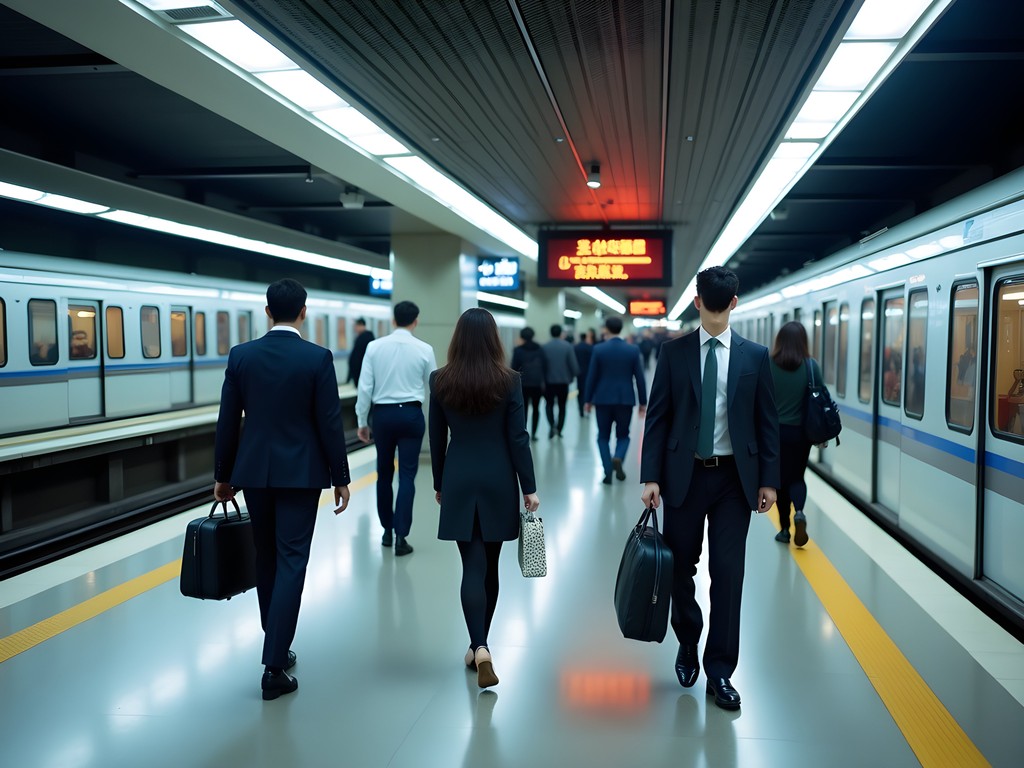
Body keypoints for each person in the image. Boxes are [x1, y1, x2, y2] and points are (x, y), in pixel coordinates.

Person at [640, 266, 779, 711]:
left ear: (728, 304)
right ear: (699, 302)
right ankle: (688, 639)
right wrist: (651, 475)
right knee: (679, 568)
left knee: (729, 575)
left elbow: (766, 422)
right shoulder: (674, 352)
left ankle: (720, 670)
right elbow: (658, 417)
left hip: (734, 481)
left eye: (721, 306)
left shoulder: (755, 357)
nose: (716, 312)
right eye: (710, 305)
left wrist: (770, 481)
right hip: (684, 476)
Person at [213, 278, 351, 702]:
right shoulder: (317, 358)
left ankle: (276, 645)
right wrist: (340, 476)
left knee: (267, 559)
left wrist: (223, 474)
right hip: (301, 474)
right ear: (304, 312)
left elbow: (227, 420)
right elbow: (329, 421)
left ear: (267, 311)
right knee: (292, 560)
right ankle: (273, 664)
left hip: (254, 472)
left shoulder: (242, 356)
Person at [429, 308, 539, 689]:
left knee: (470, 565)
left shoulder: (440, 380)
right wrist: (529, 487)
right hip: (498, 479)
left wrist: (439, 481)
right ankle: (480, 646)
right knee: (490, 565)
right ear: (493, 339)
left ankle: (479, 645)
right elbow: (518, 437)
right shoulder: (509, 380)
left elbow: (436, 437)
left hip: (459, 476)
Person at [356, 301, 436, 556]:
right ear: (416, 321)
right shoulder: (424, 349)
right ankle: (402, 536)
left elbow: (365, 387)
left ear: (393, 320)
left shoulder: (374, 347)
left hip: (383, 416)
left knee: (384, 474)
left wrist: (361, 421)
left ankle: (387, 532)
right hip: (411, 414)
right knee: (408, 476)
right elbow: (434, 387)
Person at [769, 321, 826, 547]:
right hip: (802, 434)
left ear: (779, 340)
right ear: (803, 341)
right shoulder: (812, 366)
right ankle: (799, 512)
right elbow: (821, 399)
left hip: (775, 434)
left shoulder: (770, 364)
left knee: (780, 482)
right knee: (797, 477)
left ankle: (784, 530)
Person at [584, 316, 647, 485]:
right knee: (623, 435)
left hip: (603, 399)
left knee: (602, 436)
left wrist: (587, 400)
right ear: (621, 329)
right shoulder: (632, 350)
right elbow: (639, 378)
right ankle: (618, 457)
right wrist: (643, 402)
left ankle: (607, 470)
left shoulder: (598, 349)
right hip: (625, 399)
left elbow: (591, 377)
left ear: (606, 329)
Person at [542, 324, 578, 438]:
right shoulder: (567, 346)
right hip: (563, 381)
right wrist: (572, 376)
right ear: (560, 333)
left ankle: (552, 425)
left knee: (549, 405)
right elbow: (573, 365)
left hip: (549, 382)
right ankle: (559, 429)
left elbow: (542, 366)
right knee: (562, 406)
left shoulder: (545, 347)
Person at [510, 327, 546, 440]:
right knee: (536, 409)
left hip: (523, 385)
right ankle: (534, 434)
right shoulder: (540, 349)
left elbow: (514, 368)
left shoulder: (518, 350)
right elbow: (544, 366)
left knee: (523, 409)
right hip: (537, 384)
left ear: (522, 336)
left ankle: (524, 431)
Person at [346, 317, 375, 385]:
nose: (355, 328)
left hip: (362, 371)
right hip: (361, 371)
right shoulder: (363, 336)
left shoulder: (365, 337)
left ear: (361, 325)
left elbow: (358, 356)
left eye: (356, 326)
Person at [573, 330, 594, 417]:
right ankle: (588, 409)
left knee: (580, 391)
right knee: (588, 390)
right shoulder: (590, 348)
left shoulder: (576, 347)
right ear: (585, 338)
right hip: (588, 372)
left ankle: (580, 410)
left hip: (579, 373)